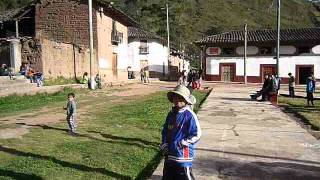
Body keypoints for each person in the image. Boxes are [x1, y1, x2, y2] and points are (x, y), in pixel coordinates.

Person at [160, 85, 201, 180]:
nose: (177, 100)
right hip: (169, 156)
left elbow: (197, 134)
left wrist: (182, 143)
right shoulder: (170, 114)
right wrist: (164, 144)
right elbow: (165, 131)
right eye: (175, 97)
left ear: (186, 100)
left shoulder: (189, 115)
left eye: (180, 98)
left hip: (182, 157)